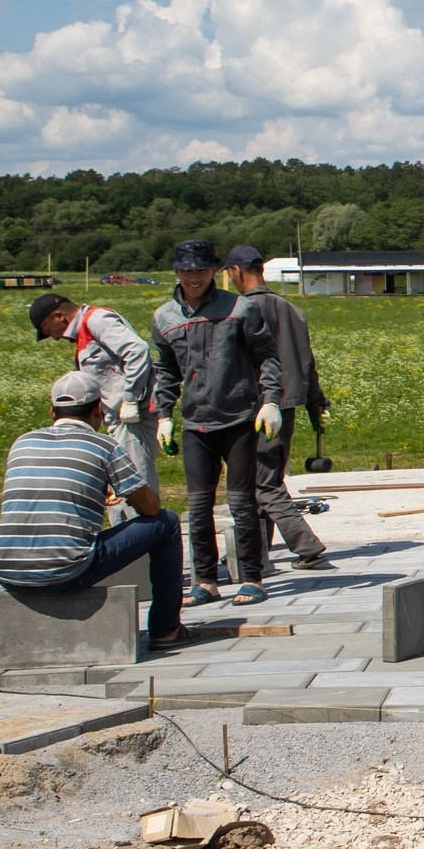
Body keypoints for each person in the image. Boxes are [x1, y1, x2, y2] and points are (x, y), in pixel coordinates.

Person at [0, 369, 191, 647]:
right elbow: (149, 508)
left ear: (52, 411)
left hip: (5, 572)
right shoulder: (103, 445)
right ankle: (166, 630)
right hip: (65, 571)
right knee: (167, 523)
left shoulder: (23, 442)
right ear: (99, 409)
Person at [150, 238, 283, 608]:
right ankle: (205, 579)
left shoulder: (239, 309)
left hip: (239, 417)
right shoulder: (164, 318)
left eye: (201, 270)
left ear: (214, 272)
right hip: (195, 423)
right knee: (197, 505)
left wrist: (270, 400)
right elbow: (164, 370)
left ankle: (253, 576)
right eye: (187, 271)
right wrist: (164, 415)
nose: (194, 278)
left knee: (241, 502)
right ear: (176, 272)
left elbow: (268, 356)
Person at [226, 246, 332, 571]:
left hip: (260, 407)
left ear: (236, 272)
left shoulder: (243, 309)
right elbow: (307, 362)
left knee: (263, 483)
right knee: (266, 477)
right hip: (289, 407)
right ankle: (255, 557)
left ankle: (307, 545)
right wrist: (317, 405)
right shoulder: (292, 309)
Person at [29, 291, 159, 493]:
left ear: (59, 316)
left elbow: (137, 350)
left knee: (132, 482)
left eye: (47, 330)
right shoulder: (83, 332)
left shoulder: (95, 320)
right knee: (119, 482)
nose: (53, 338)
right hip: (118, 417)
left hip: (132, 418)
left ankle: (143, 524)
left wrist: (130, 399)